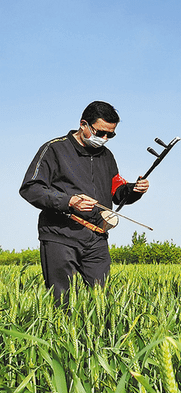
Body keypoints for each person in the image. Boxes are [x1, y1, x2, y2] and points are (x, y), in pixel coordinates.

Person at [20, 101, 150, 305]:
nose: (105, 139)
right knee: (61, 302)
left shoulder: (107, 156)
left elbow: (117, 191)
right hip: (60, 235)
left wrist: (134, 190)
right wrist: (69, 201)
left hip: (97, 238)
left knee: (101, 303)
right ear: (83, 124)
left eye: (111, 135)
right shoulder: (54, 149)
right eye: (100, 133)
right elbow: (30, 188)